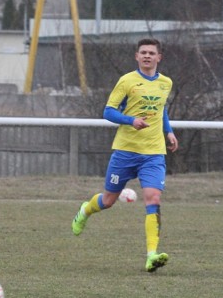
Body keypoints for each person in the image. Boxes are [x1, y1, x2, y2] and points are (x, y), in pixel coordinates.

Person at [71, 38, 179, 272]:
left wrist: (168, 132)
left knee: (153, 198)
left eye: (152, 53)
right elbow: (108, 111)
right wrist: (131, 120)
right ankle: (85, 210)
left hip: (153, 153)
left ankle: (151, 254)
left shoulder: (165, 83)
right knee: (108, 201)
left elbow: (162, 109)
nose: (147, 56)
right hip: (125, 152)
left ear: (159, 57)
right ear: (136, 56)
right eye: (143, 52)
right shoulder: (127, 81)